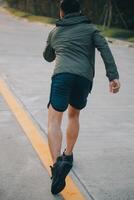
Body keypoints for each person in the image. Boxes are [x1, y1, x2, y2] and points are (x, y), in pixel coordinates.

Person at [43, 0, 120, 195]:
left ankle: (56, 166)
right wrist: (113, 76)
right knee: (74, 115)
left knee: (54, 119)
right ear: (79, 11)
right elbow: (105, 49)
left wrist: (53, 41)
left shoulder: (55, 31)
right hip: (84, 78)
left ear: (61, 13)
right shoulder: (90, 29)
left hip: (62, 76)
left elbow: (48, 56)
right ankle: (68, 155)